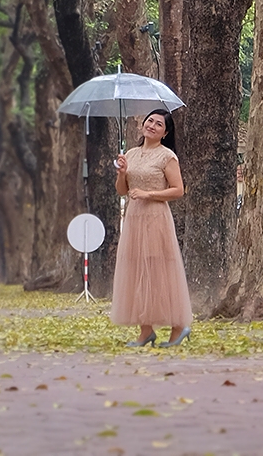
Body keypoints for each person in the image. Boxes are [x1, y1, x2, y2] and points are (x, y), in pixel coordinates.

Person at [111, 109, 193, 348]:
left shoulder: (166, 156)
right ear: (142, 124)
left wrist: (149, 194)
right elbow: (122, 190)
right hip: (134, 218)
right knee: (137, 272)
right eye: (150, 121)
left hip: (156, 218)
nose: (152, 126)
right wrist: (122, 173)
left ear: (165, 132)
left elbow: (178, 190)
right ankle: (145, 331)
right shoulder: (131, 154)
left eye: (159, 124)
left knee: (159, 273)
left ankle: (178, 326)